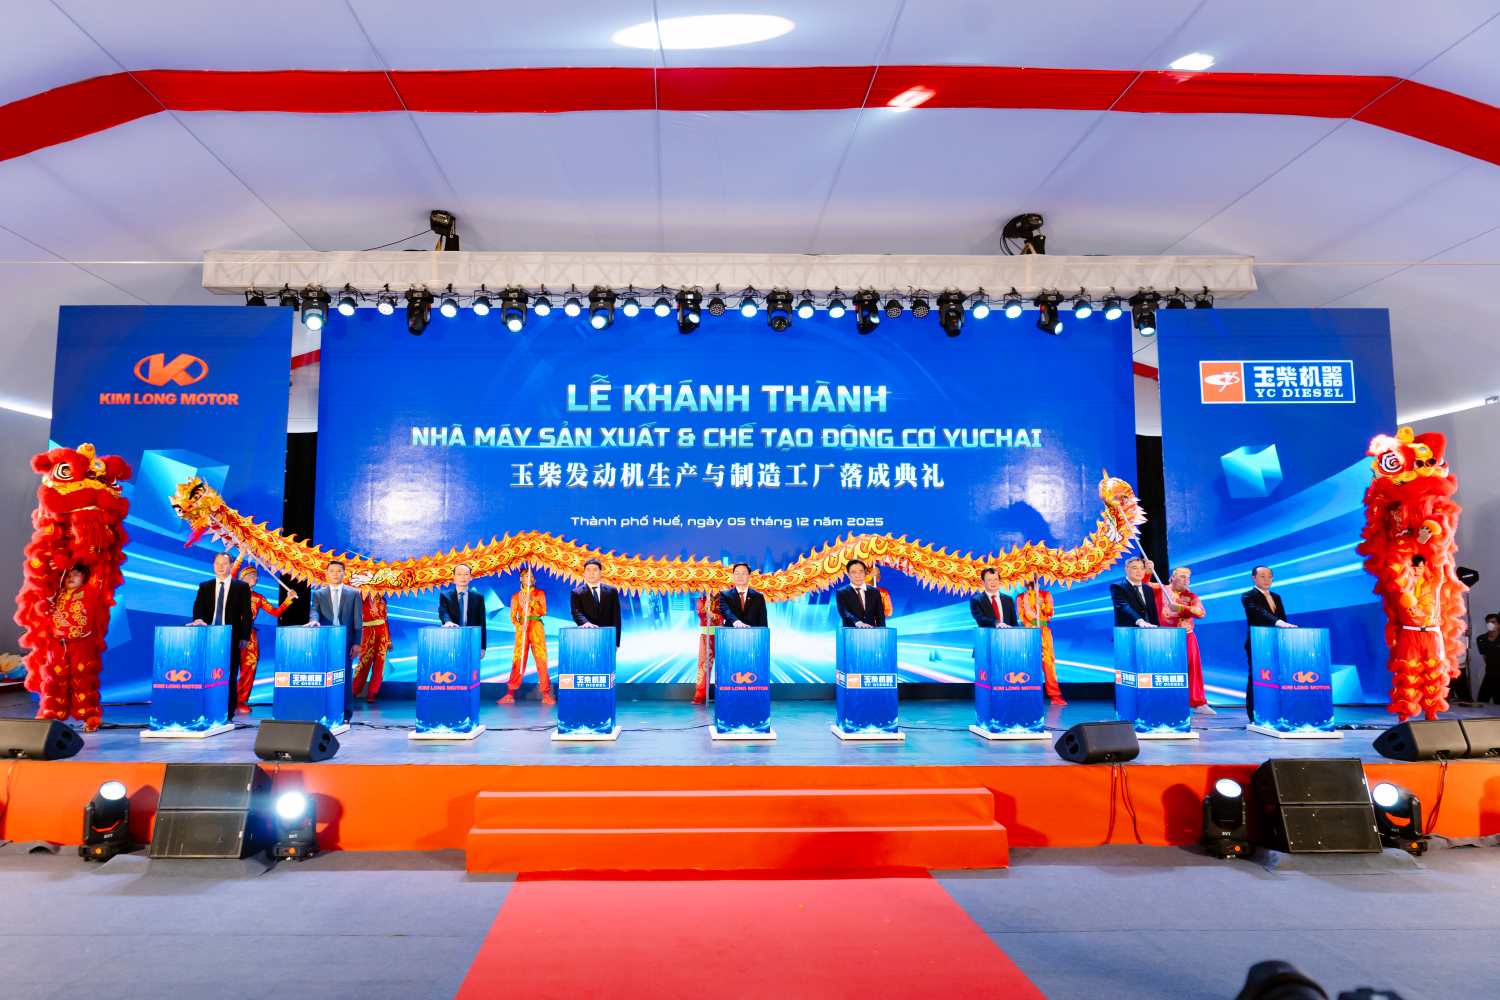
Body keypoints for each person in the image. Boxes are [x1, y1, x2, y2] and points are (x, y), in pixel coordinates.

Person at [190, 551, 253, 715]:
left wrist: (245, 636)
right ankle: (205, 708)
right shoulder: (205, 586)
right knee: (206, 672)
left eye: (224, 564)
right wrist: (197, 619)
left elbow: (247, 614)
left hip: (231, 636)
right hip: (208, 636)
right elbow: (198, 608)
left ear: (231, 566)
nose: (220, 567)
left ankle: (228, 711)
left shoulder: (241, 587)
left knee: (230, 673)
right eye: (217, 563)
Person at [41, 566, 103, 731]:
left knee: (82, 680)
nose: (71, 577)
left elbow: (101, 569)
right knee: (55, 680)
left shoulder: (91, 591)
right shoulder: (57, 593)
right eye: (68, 574)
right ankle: (52, 716)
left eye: (76, 574)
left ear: (85, 577)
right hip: (57, 644)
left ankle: (89, 718)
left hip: (81, 643)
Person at [1146, 562, 1212, 715]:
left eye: (1188, 578)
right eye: (1182, 576)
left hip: (1186, 636)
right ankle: (1162, 700)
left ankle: (1198, 702)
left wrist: (1182, 608)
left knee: (1192, 668)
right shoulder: (1160, 589)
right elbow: (1143, 585)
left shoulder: (1190, 596)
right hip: (1163, 636)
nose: (1186, 580)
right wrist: (1149, 571)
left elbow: (1201, 613)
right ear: (1172, 578)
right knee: (1162, 668)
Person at [308, 560, 363, 723]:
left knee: (345, 677)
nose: (335, 574)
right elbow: (314, 611)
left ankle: (346, 713)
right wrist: (314, 620)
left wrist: (357, 643)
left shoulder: (353, 593)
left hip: (346, 640)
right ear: (327, 573)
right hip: (326, 639)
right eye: (332, 571)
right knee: (325, 675)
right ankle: (325, 710)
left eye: (339, 571)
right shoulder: (318, 594)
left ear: (344, 573)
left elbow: (358, 620)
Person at [237, 564, 293, 713]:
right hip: (233, 632)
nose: (254, 578)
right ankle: (224, 700)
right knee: (227, 667)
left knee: (250, 667)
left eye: (255, 576)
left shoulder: (258, 597)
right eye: (250, 576)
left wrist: (288, 600)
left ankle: (241, 700)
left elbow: (275, 612)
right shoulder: (233, 592)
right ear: (242, 578)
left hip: (249, 635)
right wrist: (242, 554)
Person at [1242, 564, 1295, 719]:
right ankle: (1253, 715)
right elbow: (1260, 613)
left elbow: (1283, 618)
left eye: (1269, 576)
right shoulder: (1247, 596)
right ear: (1254, 578)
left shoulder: (1276, 597)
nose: (1266, 580)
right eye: (1262, 576)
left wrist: (1285, 627)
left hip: (1277, 642)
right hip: (1258, 643)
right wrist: (1278, 622)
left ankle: (1277, 713)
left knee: (1278, 677)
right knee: (1256, 677)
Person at [500, 566, 551, 706]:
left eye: (531, 576)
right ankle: (510, 693)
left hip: (536, 627)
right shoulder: (516, 596)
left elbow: (543, 611)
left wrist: (532, 601)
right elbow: (513, 617)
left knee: (541, 659)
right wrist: (518, 625)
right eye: (526, 576)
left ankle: (546, 693)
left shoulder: (540, 593)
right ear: (521, 579)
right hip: (522, 629)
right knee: (518, 659)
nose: (529, 578)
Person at [1015, 576, 1066, 706]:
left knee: (1048, 663)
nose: (1029, 580)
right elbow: (1022, 617)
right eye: (1026, 578)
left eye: (1031, 577)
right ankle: (1028, 695)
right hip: (1029, 633)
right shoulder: (1020, 597)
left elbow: (1050, 613)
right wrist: (1031, 626)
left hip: (1044, 631)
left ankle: (1055, 696)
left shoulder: (1045, 594)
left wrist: (1041, 604)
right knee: (1027, 663)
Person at [570, 558, 622, 645]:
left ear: (600, 573)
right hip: (587, 636)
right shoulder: (576, 593)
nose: (591, 573)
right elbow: (576, 612)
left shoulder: (611, 591)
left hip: (607, 637)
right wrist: (585, 623)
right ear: (584, 574)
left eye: (595, 570)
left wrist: (616, 642)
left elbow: (616, 617)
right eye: (588, 570)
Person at [353, 589, 390, 705]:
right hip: (367, 632)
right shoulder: (359, 596)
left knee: (380, 664)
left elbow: (385, 620)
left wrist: (389, 640)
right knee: (363, 662)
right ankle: (354, 690)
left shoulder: (382, 598)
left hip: (382, 633)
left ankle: (372, 692)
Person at [1110, 557, 1159, 628]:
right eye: (1135, 568)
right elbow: (1124, 606)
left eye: (1142, 568)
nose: (1139, 571)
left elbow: (1153, 614)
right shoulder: (1117, 587)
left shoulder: (1148, 589)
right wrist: (1140, 621)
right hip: (1128, 633)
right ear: (1126, 569)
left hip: (1149, 633)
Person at [693, 591, 724, 705]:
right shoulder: (701, 600)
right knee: (704, 666)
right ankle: (700, 695)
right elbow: (701, 615)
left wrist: (714, 615)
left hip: (721, 636)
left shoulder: (723, 599)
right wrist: (706, 607)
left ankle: (723, 694)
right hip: (706, 637)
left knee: (723, 666)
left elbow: (724, 617)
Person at [836, 559, 886, 628]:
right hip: (851, 632)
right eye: (854, 572)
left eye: (861, 571)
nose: (858, 575)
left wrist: (882, 630)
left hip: (871, 632)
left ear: (865, 573)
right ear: (848, 574)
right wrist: (857, 622)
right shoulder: (842, 592)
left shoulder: (875, 591)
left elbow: (880, 615)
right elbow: (844, 612)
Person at [1475, 613, 1500, 705]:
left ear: (1499, 624)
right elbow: (1485, 657)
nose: (1490, 624)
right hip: (1489, 675)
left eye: (1493, 622)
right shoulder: (1481, 639)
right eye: (1488, 622)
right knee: (1482, 701)